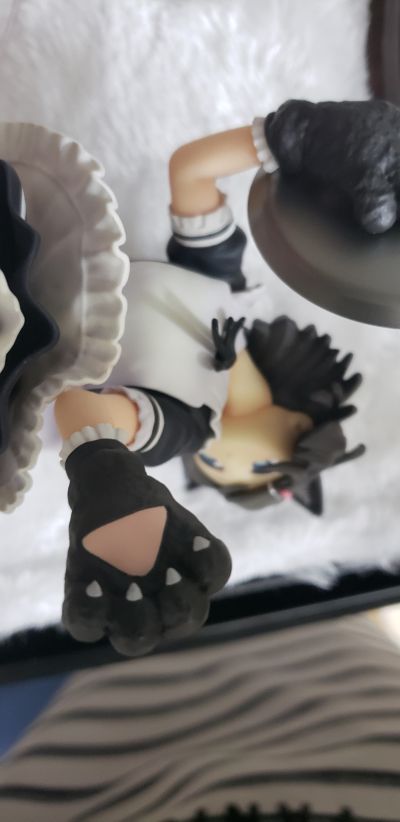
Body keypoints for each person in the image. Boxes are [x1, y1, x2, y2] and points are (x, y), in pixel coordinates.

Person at [0, 118, 364, 657]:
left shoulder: (187, 426)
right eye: (260, 469)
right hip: (35, 235)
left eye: (218, 478)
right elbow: (191, 172)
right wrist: (298, 134)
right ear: (294, 421)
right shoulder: (227, 293)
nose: (220, 466)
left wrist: (104, 475)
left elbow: (81, 407)